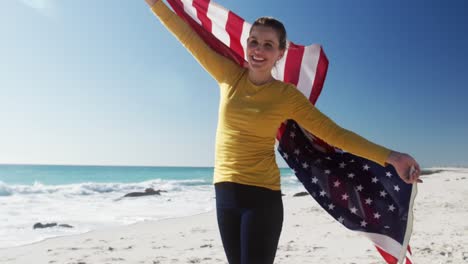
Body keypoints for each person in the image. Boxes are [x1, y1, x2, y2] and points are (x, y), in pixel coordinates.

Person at [144, 0, 422, 263]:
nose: (258, 50)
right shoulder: (228, 75)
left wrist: (391, 156)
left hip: (262, 198)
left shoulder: (286, 96)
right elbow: (187, 37)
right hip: (225, 193)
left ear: (280, 53)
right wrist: (155, 4)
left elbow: (335, 134)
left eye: (268, 45)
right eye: (254, 42)